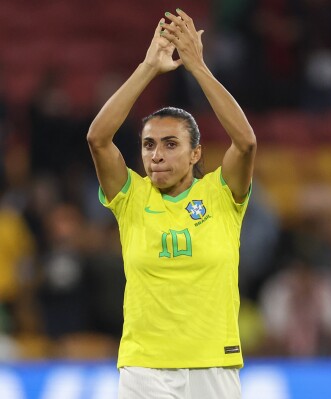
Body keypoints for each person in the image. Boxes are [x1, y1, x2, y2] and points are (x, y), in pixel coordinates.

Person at [86, 9, 256, 399]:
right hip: (144, 369)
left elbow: (245, 142)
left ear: (196, 154)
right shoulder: (131, 197)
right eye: (148, 145)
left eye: (170, 144)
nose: (156, 155)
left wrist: (197, 67)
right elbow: (98, 138)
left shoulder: (221, 194)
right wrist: (148, 67)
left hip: (213, 364)